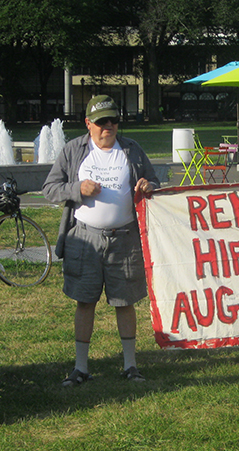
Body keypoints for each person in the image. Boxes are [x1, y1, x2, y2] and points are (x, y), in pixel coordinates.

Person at [43, 95, 159, 386]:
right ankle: (81, 368)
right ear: (88, 124)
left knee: (126, 301)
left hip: (125, 238)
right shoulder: (73, 151)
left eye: (113, 120)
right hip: (84, 240)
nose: (108, 127)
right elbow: (49, 189)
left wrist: (148, 186)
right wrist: (76, 188)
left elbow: (155, 181)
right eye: (101, 122)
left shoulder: (132, 150)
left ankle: (130, 365)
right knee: (85, 301)